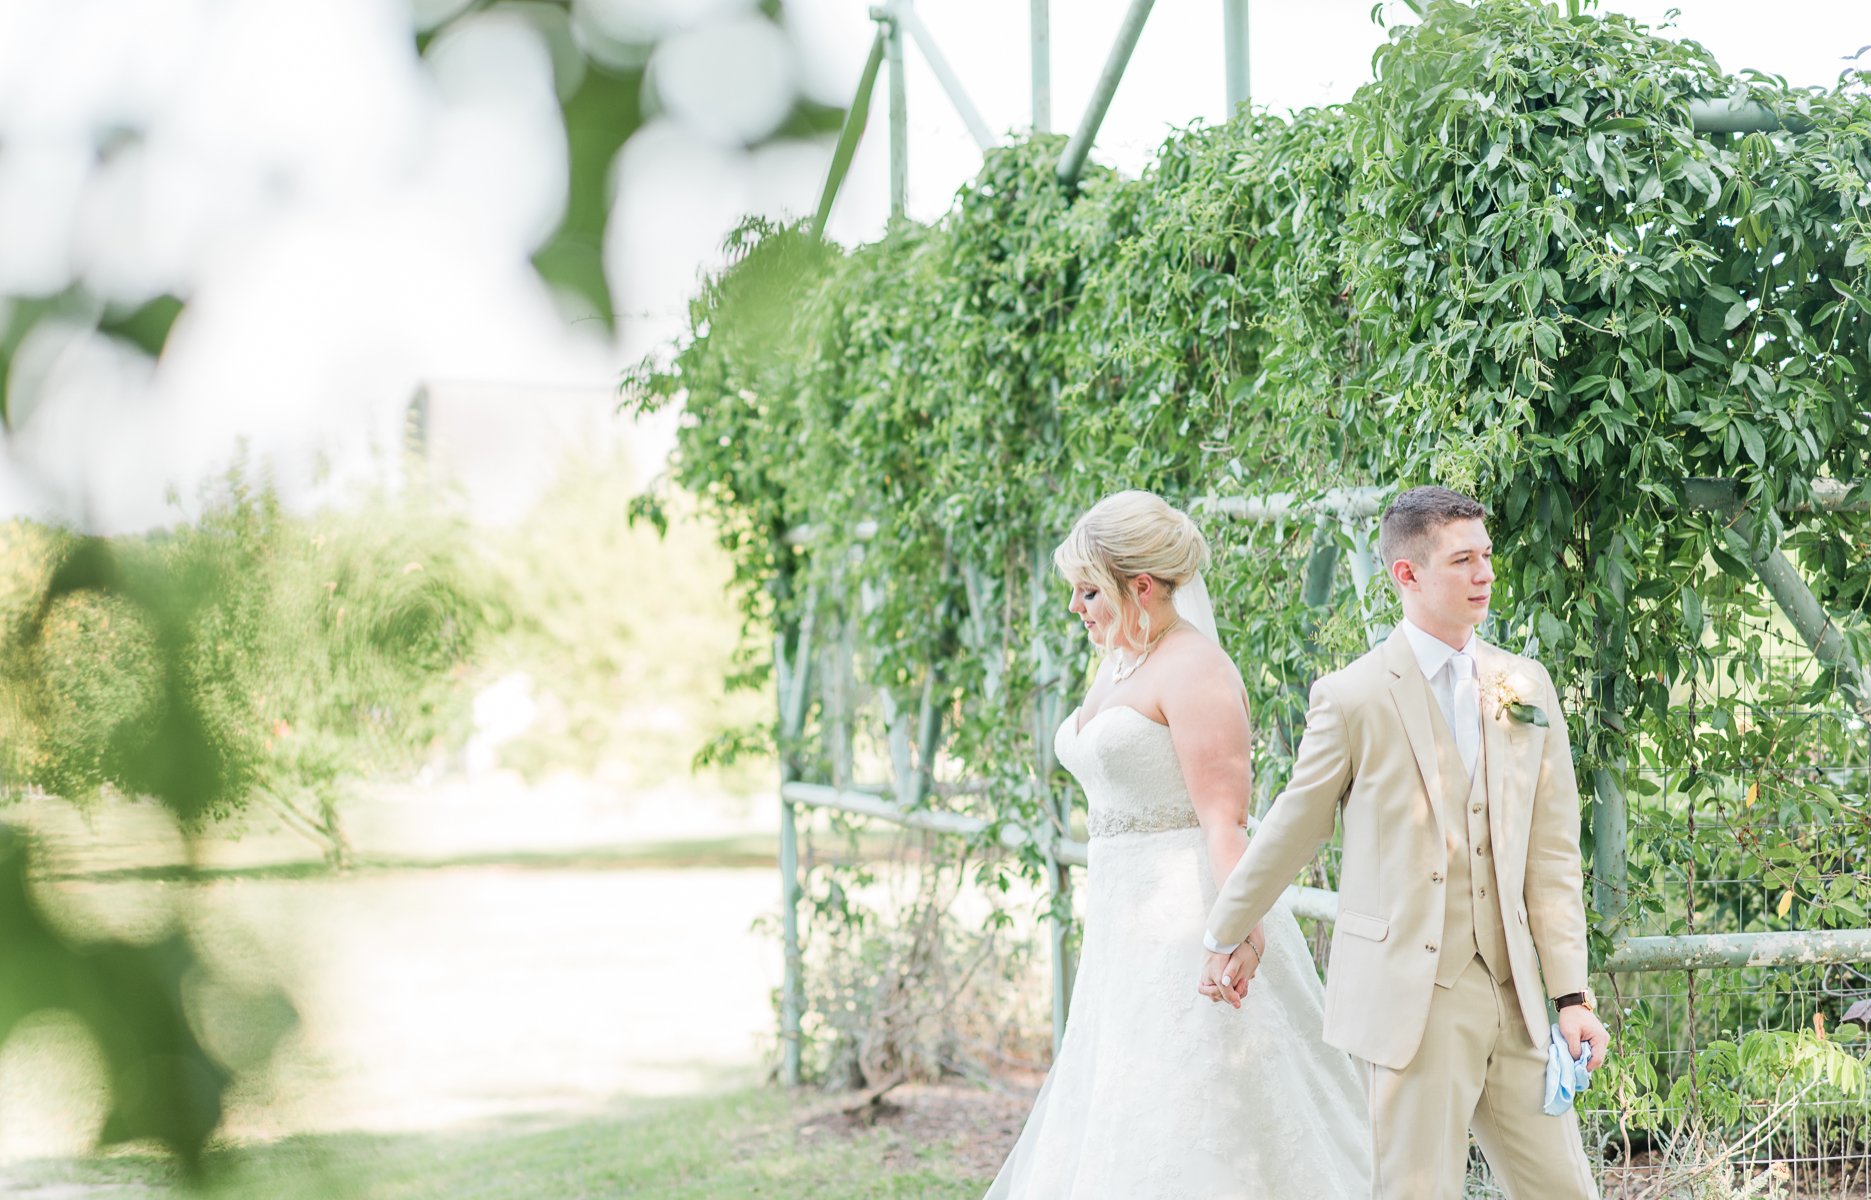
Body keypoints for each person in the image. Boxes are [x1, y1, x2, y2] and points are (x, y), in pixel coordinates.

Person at [1198, 485, 1611, 1199]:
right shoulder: (1352, 696)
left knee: (1565, 1190)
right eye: (1462, 561)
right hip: (1408, 1004)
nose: (1484, 574)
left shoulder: (1524, 684)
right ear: (1406, 575)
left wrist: (1569, 994)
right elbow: (1291, 828)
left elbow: (1550, 856)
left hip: (1514, 1000)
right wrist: (1225, 929)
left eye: (1485, 556)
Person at [986, 490, 1370, 1199]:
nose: (1077, 609)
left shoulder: (1197, 670)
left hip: (1190, 918)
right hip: (1122, 929)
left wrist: (1235, 933)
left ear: (1138, 587)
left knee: (1204, 1106)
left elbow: (1224, 821)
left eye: (1086, 591)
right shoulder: (1120, 659)